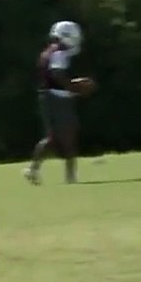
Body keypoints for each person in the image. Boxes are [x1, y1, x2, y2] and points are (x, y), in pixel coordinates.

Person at [25, 21, 93, 185]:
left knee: (52, 138)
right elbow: (57, 74)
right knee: (68, 136)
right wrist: (74, 86)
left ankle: (33, 169)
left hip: (46, 96)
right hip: (57, 98)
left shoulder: (48, 52)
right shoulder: (59, 53)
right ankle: (71, 177)